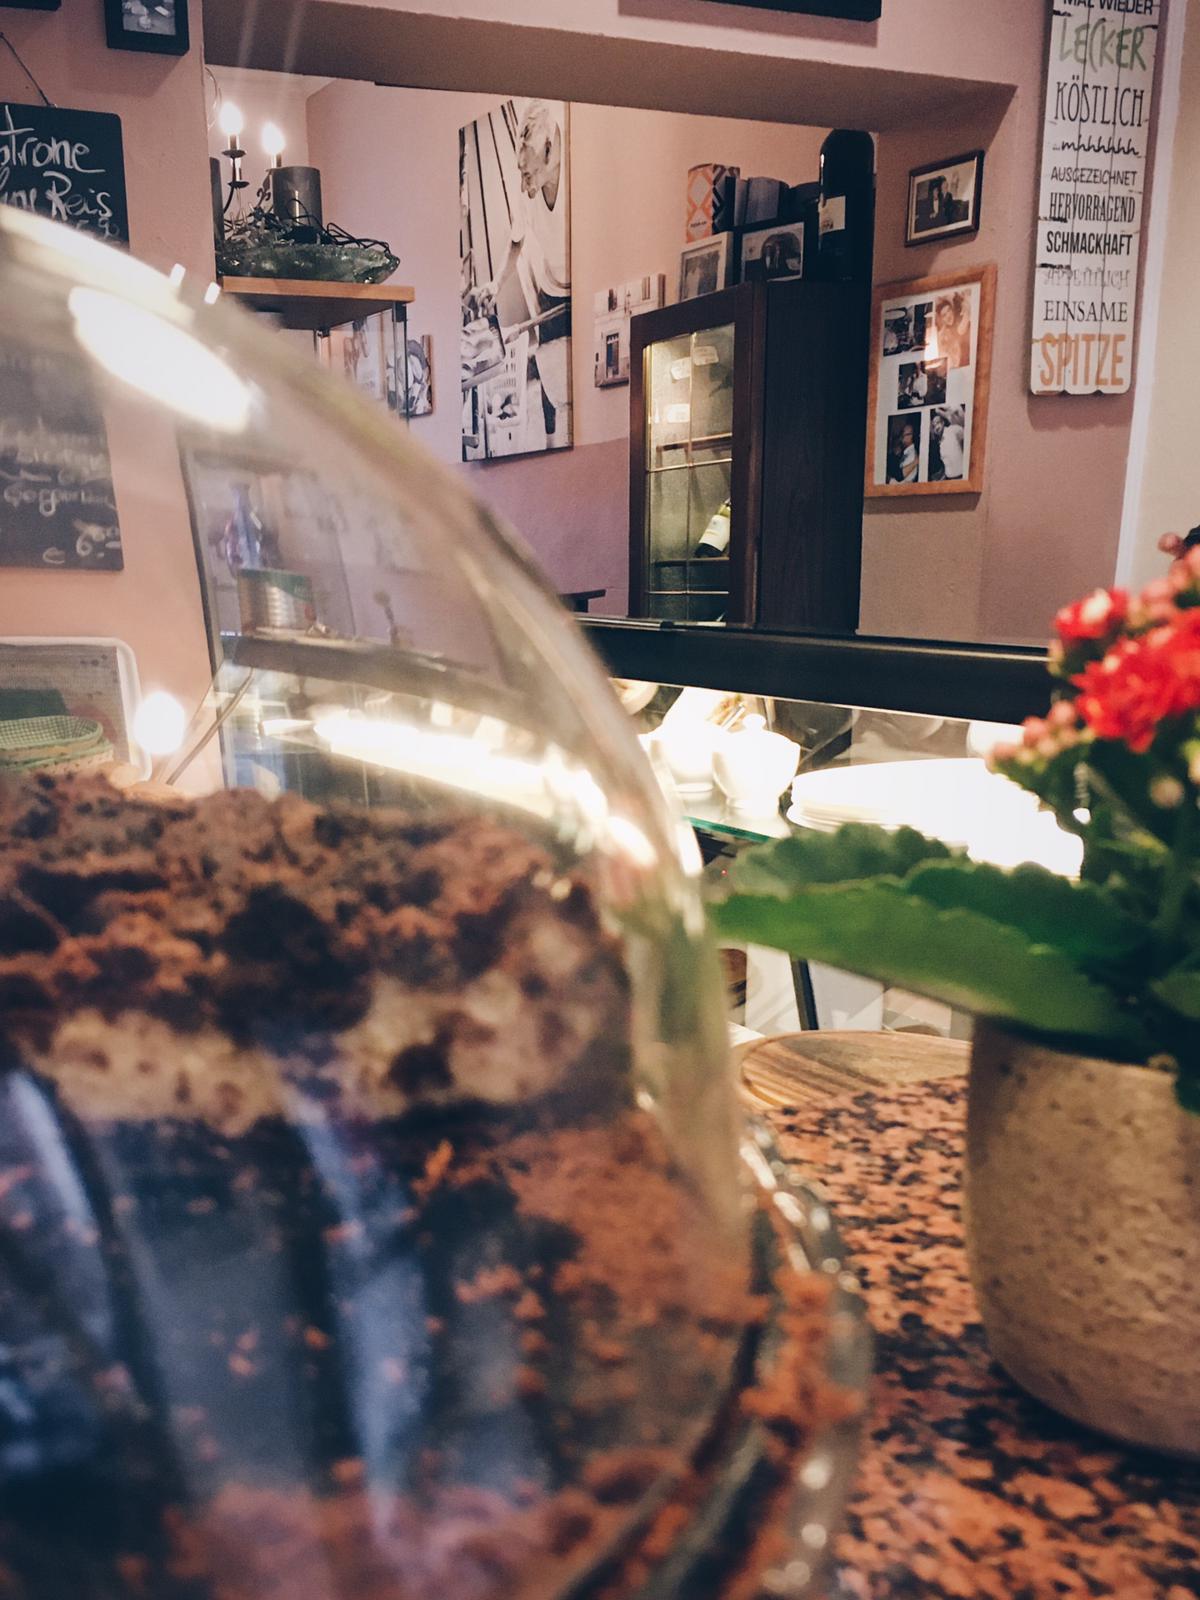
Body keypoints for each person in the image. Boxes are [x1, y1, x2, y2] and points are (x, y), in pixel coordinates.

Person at [463, 100, 570, 444]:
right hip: (550, 286)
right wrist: (496, 284)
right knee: (550, 372)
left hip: (579, 288)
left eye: (528, 175)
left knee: (572, 377)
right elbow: (516, 241)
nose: (524, 186)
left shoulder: (576, 175)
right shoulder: (528, 193)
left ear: (550, 152)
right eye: (521, 174)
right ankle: (551, 439)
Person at [935, 293, 972, 369]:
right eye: (944, 315)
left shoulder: (962, 321)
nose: (948, 316)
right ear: (942, 319)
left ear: (952, 310)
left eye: (948, 311)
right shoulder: (944, 334)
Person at [929, 408, 965, 481]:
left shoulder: (952, 430)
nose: (936, 427)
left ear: (943, 422)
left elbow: (966, 431)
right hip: (949, 479)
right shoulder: (939, 442)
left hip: (961, 477)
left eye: (938, 423)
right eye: (933, 425)